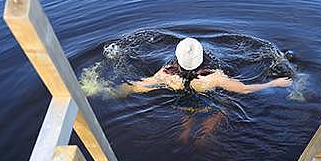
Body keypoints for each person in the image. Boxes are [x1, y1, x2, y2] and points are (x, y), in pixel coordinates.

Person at [116, 37, 292, 97]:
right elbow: (244, 89)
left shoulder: (165, 74)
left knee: (187, 114)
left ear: (178, 57)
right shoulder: (213, 77)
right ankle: (204, 136)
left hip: (180, 104)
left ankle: (185, 132)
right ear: (200, 57)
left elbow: (138, 86)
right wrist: (273, 84)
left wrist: (114, 91)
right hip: (206, 102)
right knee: (219, 114)